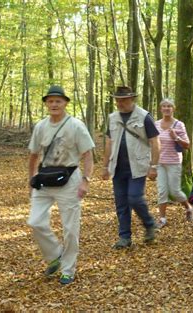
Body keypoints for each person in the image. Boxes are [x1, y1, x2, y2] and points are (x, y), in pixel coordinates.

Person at [27, 85, 95, 285]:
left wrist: (86, 181)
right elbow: (33, 155)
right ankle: (56, 255)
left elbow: (88, 155)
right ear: (46, 104)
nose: (54, 104)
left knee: (70, 228)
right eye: (50, 101)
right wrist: (30, 180)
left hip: (70, 179)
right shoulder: (40, 127)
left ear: (65, 103)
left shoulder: (76, 125)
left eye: (58, 101)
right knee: (35, 221)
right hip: (44, 180)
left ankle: (68, 269)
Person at [102, 86, 160, 249]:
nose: (120, 103)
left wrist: (154, 166)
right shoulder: (112, 118)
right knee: (121, 203)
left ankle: (149, 223)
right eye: (118, 100)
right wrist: (105, 166)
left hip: (138, 165)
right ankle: (125, 237)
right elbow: (109, 142)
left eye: (124, 99)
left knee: (134, 197)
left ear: (132, 99)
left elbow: (155, 142)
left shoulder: (144, 116)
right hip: (118, 167)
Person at [155, 98, 193, 228]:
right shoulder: (156, 124)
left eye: (169, 106)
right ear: (160, 109)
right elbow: (152, 144)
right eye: (164, 106)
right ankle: (162, 218)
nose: (166, 108)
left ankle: (188, 207)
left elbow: (187, 145)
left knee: (175, 191)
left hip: (174, 163)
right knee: (162, 191)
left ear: (173, 109)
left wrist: (176, 137)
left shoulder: (179, 125)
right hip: (160, 163)